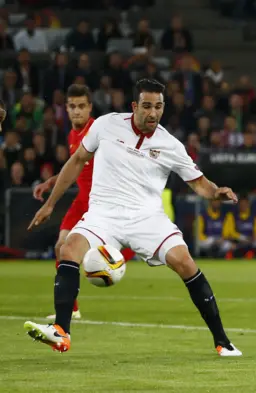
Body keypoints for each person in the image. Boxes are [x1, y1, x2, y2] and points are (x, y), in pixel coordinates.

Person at [24, 79, 242, 357]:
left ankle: (223, 341)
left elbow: (199, 183)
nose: (153, 113)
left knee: (185, 263)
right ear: (134, 106)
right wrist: (50, 204)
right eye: (147, 106)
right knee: (67, 249)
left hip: (147, 218)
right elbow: (77, 161)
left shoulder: (170, 145)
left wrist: (216, 192)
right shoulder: (105, 125)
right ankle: (61, 331)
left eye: (159, 107)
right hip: (104, 214)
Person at [33, 84, 136, 321]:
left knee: (83, 248)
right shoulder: (72, 134)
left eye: (81, 106)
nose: (76, 111)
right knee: (61, 247)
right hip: (82, 199)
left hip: (101, 201)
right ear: (66, 109)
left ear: (90, 107)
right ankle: (72, 307)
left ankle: (122, 256)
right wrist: (51, 182)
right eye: (72, 107)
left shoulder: (99, 132)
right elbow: (74, 166)